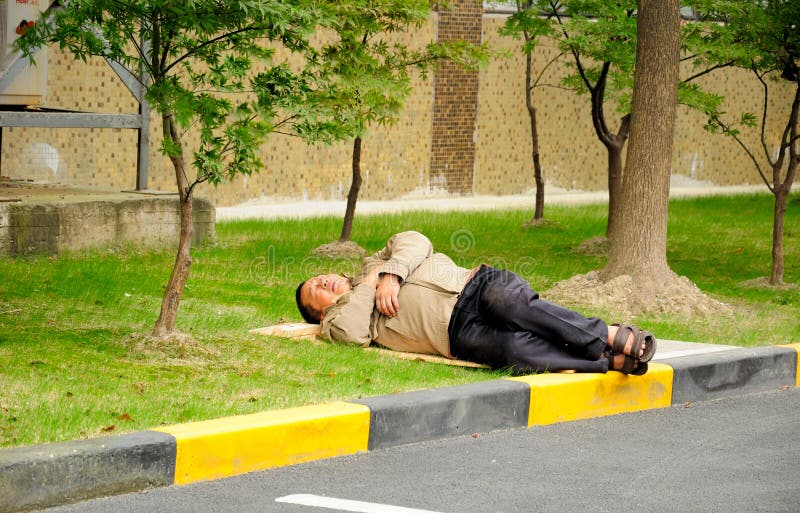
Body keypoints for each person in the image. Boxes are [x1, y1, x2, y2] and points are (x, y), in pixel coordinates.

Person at [295, 231, 656, 375]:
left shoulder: (376, 262)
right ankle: (605, 361)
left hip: (475, 285)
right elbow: (351, 334)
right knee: (516, 350)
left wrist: (390, 273)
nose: (323, 280)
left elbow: (416, 240)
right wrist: (369, 285)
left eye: (319, 276)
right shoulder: (338, 320)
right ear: (321, 311)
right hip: (455, 334)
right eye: (316, 290)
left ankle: (606, 335)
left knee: (513, 305)